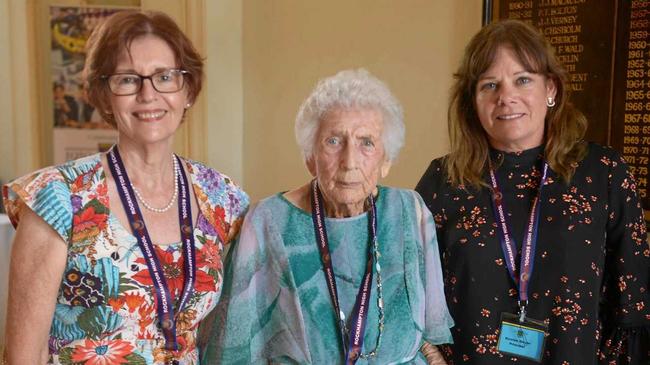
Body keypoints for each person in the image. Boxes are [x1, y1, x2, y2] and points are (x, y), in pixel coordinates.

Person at [2, 11, 249, 364]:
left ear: (188, 91)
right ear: (105, 96)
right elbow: (23, 357)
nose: (149, 94)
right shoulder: (59, 198)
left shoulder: (222, 198)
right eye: (129, 79)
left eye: (165, 77)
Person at [415, 19, 649, 364]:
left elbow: (633, 305)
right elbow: (402, 291)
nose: (505, 97)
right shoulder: (442, 181)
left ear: (551, 89)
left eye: (522, 80)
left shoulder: (604, 173)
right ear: (472, 101)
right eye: (489, 85)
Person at [201, 69, 454, 364]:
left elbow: (424, 331)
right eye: (333, 141)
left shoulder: (409, 211)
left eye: (367, 143)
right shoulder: (269, 220)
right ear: (310, 157)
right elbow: (234, 345)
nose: (349, 162)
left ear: (386, 161)